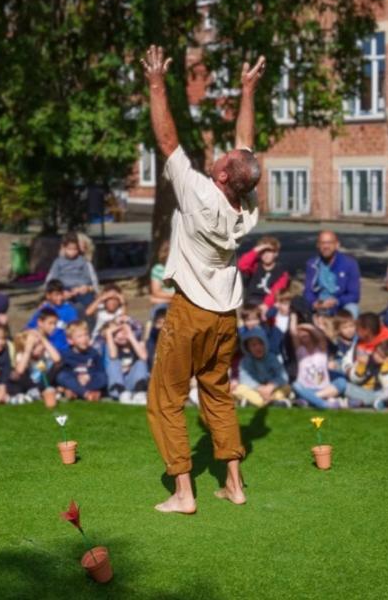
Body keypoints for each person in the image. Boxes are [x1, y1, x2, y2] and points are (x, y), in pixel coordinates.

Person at [143, 44, 261, 514]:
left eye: (226, 155)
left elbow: (167, 139)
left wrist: (156, 84)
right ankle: (234, 484)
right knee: (217, 395)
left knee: (166, 399)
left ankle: (184, 493)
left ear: (222, 172)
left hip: (190, 312)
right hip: (225, 318)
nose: (226, 150)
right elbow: (246, 144)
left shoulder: (197, 194)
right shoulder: (245, 206)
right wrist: (248, 90)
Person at [303, 231, 361, 319]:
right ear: (318, 245)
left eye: (329, 243)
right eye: (322, 243)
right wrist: (313, 303)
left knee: (353, 309)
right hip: (319, 304)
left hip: (339, 305)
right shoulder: (312, 264)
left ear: (337, 245)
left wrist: (336, 301)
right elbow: (308, 291)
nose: (326, 246)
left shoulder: (349, 264)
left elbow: (354, 295)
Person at [233, 327, 290, 408]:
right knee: (239, 389)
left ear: (265, 344)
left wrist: (271, 386)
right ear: (248, 348)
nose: (258, 347)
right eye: (253, 345)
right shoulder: (245, 361)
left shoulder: (272, 358)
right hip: (255, 389)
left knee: (287, 387)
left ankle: (265, 400)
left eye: (260, 344)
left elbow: (283, 376)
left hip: (271, 388)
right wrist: (259, 388)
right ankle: (271, 401)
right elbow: (244, 379)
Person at [46, 233, 100, 316]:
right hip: (64, 288)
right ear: (63, 248)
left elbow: (90, 280)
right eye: (69, 249)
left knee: (89, 301)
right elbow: (52, 280)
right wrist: (61, 291)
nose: (72, 252)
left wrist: (85, 288)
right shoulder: (58, 262)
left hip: (80, 289)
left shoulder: (83, 261)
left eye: (75, 249)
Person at [289, 323, 339, 410]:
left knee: (342, 382)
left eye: (306, 332)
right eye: (300, 332)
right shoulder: (300, 351)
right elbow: (292, 332)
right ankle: (323, 404)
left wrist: (307, 326)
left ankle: (309, 399)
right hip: (306, 388)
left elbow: (320, 336)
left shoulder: (322, 350)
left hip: (324, 389)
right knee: (295, 385)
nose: (303, 333)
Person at [56, 321, 107, 401]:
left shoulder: (93, 353)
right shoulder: (66, 354)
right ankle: (86, 394)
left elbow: (100, 371)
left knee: (103, 378)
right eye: (80, 336)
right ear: (70, 340)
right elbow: (64, 372)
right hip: (75, 380)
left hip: (90, 380)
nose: (84, 339)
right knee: (62, 377)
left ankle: (75, 392)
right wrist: (77, 377)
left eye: (86, 335)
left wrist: (89, 376)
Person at [103, 316, 150, 404]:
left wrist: (131, 336)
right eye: (115, 333)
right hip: (117, 387)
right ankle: (122, 393)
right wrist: (109, 333)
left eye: (123, 331)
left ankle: (140, 393)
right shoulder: (110, 347)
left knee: (140, 362)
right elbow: (113, 356)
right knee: (114, 363)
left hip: (133, 385)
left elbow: (144, 357)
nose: (120, 335)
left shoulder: (137, 343)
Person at [237, 237, 289, 309]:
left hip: (271, 303)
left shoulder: (281, 272)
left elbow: (276, 291)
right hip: (252, 301)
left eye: (269, 251)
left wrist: (266, 305)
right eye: (263, 252)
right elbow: (242, 264)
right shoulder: (255, 266)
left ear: (276, 253)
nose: (266, 255)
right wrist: (256, 250)